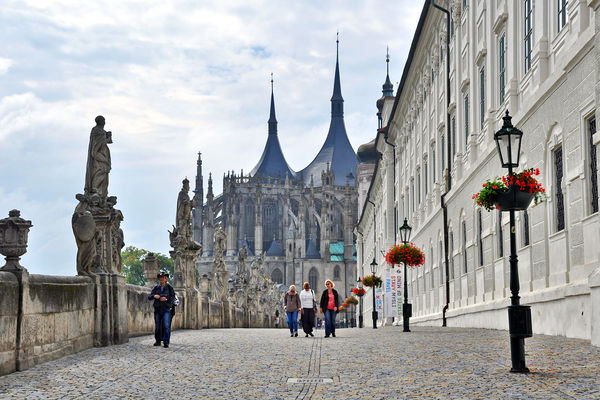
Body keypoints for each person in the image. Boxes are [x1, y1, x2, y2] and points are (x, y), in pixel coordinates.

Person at [148, 271, 175, 348]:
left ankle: (166, 342)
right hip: (157, 309)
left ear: (166, 279)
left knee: (166, 325)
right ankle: (158, 341)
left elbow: (173, 298)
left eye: (163, 278)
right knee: (158, 326)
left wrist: (166, 298)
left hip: (166, 309)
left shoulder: (170, 288)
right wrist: (154, 296)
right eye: (160, 278)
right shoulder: (156, 288)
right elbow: (149, 296)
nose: (162, 279)